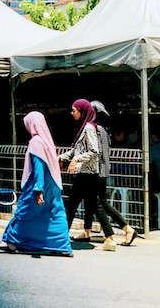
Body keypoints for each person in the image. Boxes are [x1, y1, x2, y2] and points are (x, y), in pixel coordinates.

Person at [0, 111, 72, 256]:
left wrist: (38, 189)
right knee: (55, 214)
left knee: (24, 212)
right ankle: (63, 246)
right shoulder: (47, 141)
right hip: (53, 184)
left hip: (38, 184)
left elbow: (38, 167)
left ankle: (10, 241)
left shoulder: (35, 142)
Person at [59, 99, 117, 252]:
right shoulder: (83, 127)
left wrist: (76, 160)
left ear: (82, 111)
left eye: (74, 110)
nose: (72, 113)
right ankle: (109, 238)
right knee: (84, 205)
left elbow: (94, 152)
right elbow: (76, 150)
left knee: (75, 205)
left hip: (88, 173)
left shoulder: (89, 128)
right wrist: (61, 157)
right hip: (85, 173)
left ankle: (61, 237)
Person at [85, 101, 138, 246]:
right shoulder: (104, 129)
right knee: (95, 202)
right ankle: (87, 230)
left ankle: (124, 229)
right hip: (102, 170)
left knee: (100, 203)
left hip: (97, 171)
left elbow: (95, 152)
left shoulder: (95, 129)